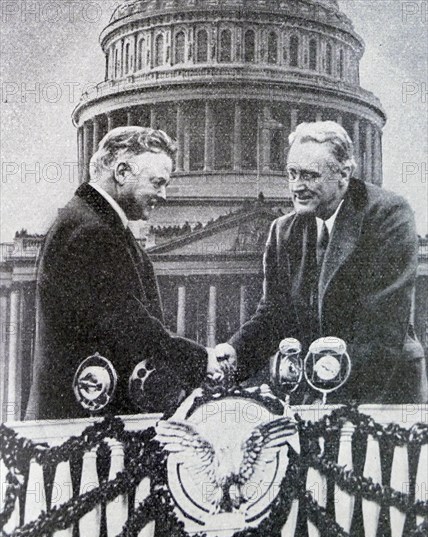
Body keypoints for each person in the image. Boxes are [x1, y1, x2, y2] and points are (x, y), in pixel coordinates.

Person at [216, 121, 426, 403]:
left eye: (309, 176)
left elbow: (382, 331)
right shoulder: (283, 230)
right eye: (292, 174)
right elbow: (273, 314)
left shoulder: (387, 216)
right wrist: (235, 352)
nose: (297, 187)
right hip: (318, 386)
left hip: (383, 388)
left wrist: (323, 383)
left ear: (344, 174)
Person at [26, 127, 220, 419]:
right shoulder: (91, 231)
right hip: (83, 429)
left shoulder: (92, 221)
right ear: (122, 172)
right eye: (157, 183)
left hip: (88, 421)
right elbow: (128, 324)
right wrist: (200, 359)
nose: (164, 195)